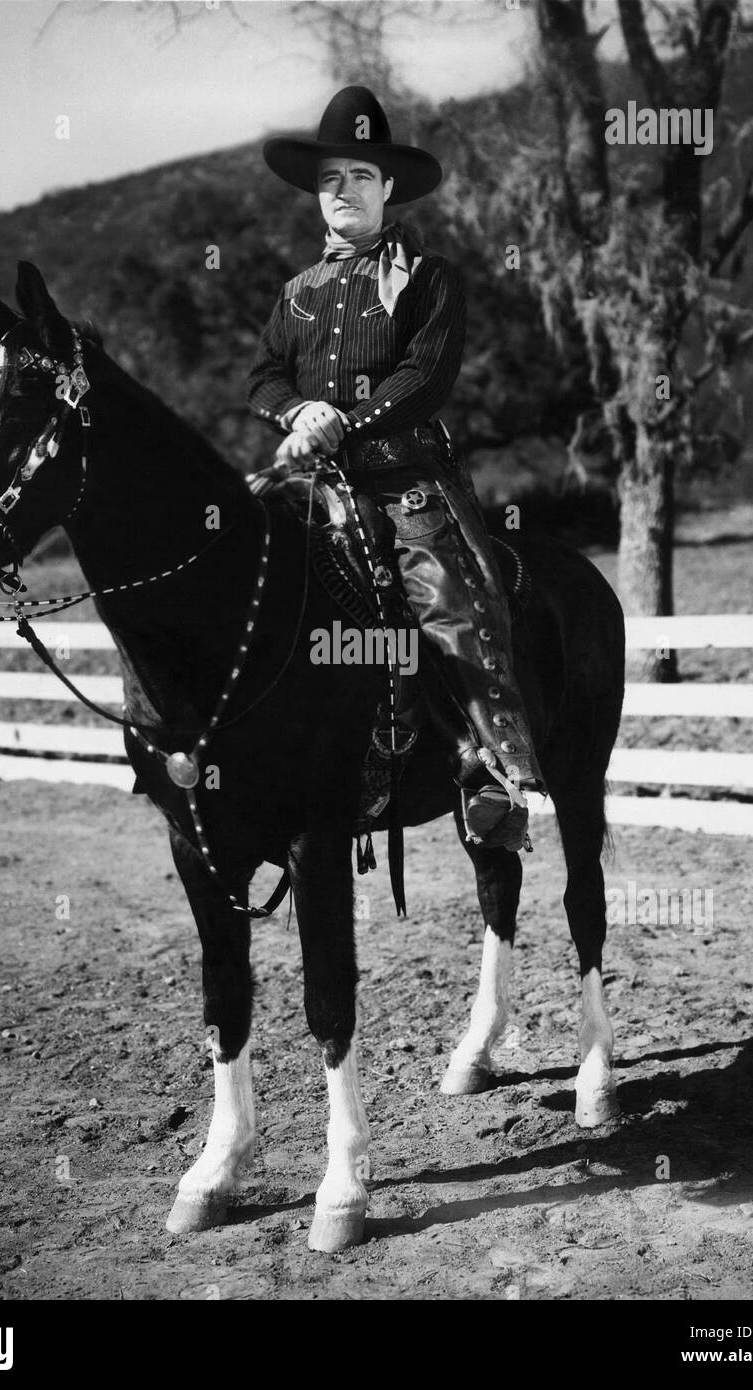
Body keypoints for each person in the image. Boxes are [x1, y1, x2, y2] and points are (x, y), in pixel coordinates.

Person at [246, 85, 544, 851]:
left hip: (405, 477)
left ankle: (494, 775)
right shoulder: (296, 293)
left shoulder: (430, 277)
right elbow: (263, 377)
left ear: (386, 190)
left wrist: (343, 419)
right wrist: (296, 412)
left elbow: (425, 378)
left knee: (447, 600)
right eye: (330, 180)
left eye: (360, 178)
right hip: (316, 484)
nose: (343, 192)